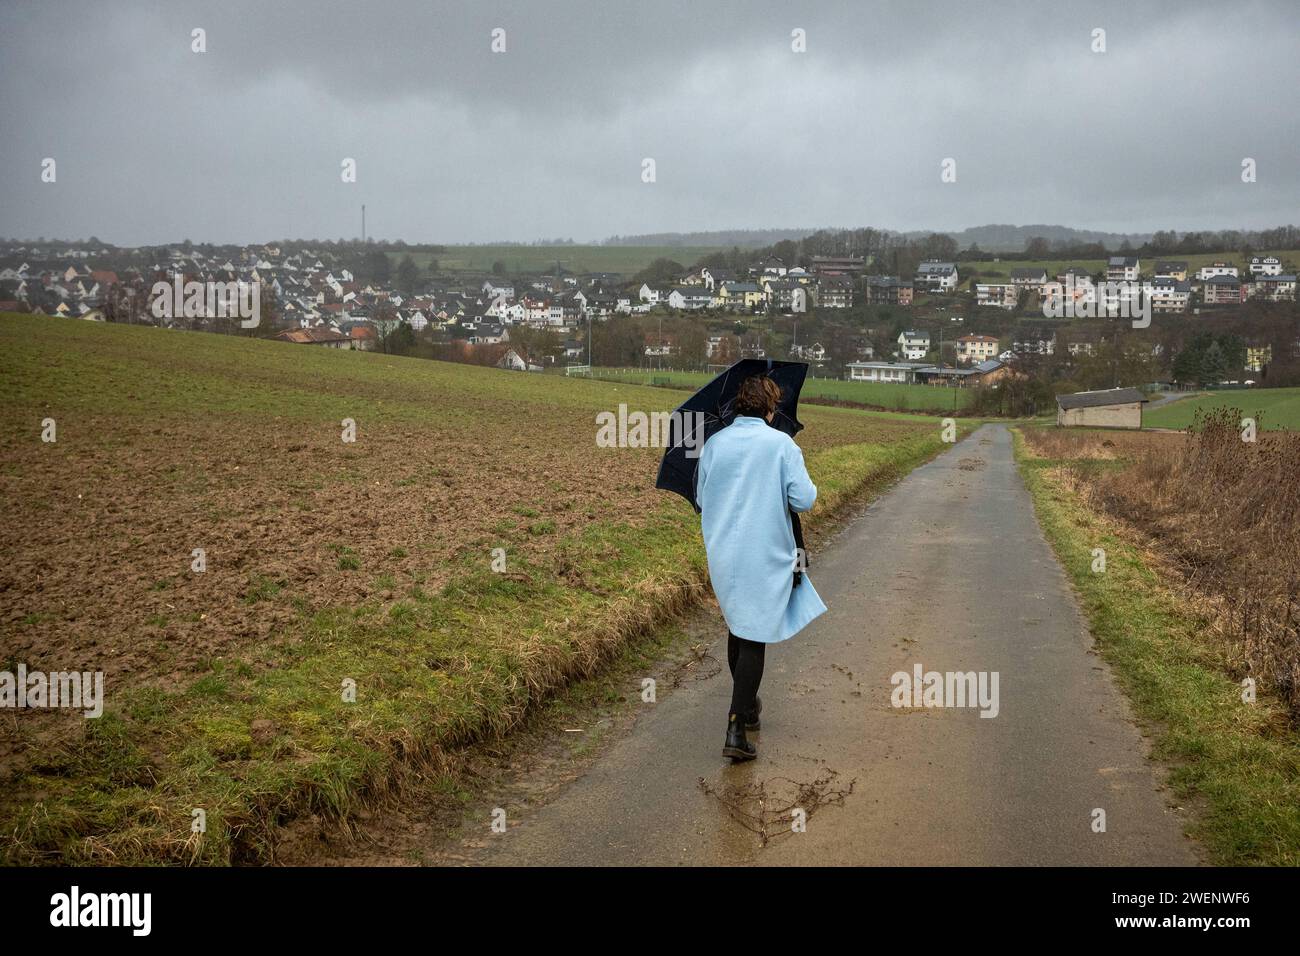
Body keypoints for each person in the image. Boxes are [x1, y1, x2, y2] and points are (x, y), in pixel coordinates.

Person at [695, 373, 826, 761]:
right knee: (754, 634)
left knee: (739, 626)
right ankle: (736, 727)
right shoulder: (780, 445)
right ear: (770, 408)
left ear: (738, 405)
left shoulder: (715, 444)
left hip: (722, 553)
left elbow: (702, 498)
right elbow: (803, 500)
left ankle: (748, 708)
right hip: (764, 551)